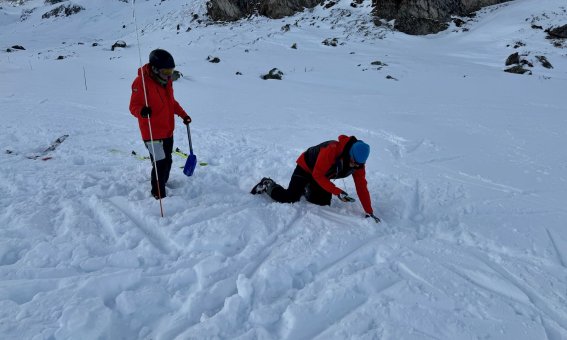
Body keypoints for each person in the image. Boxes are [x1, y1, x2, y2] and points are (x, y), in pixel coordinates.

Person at [251, 135, 381, 223]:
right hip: (306, 168)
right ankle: (267, 185)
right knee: (289, 198)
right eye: (353, 162)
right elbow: (317, 175)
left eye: (358, 165)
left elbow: (361, 186)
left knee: (322, 203)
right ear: (349, 154)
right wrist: (337, 192)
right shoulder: (331, 150)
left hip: (321, 175)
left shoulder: (358, 164)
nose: (355, 166)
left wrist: (369, 211)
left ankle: (306, 188)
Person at [129, 49, 191, 199]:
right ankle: (158, 193)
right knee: (159, 164)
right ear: (155, 69)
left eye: (171, 70)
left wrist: (183, 114)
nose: (169, 74)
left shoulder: (167, 81)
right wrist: (142, 111)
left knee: (168, 160)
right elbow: (133, 106)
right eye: (166, 71)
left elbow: (171, 103)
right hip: (152, 133)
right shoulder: (141, 82)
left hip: (167, 130)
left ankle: (162, 181)